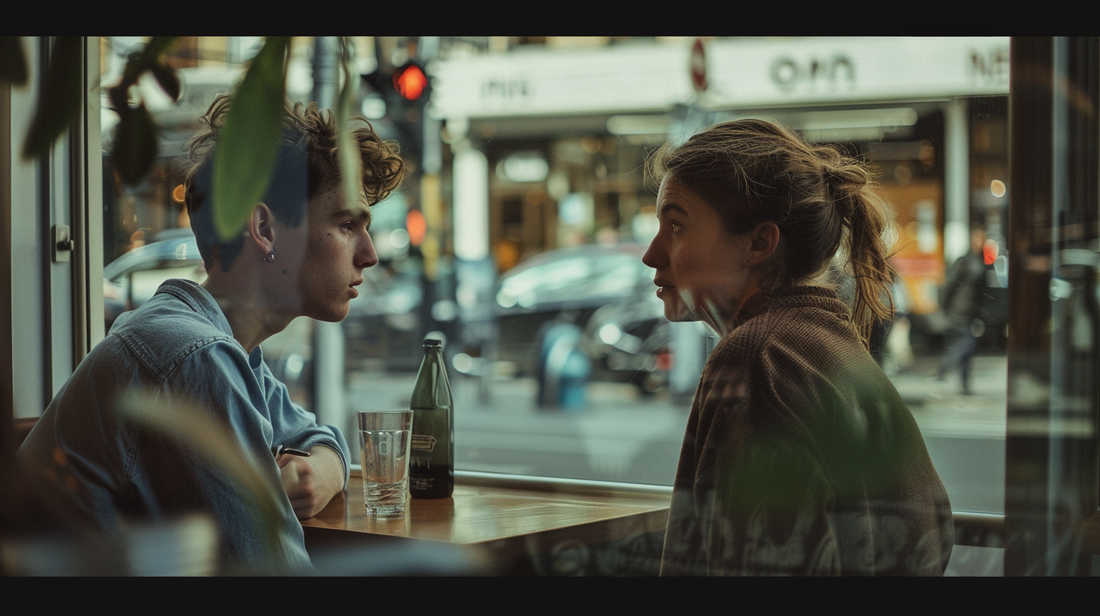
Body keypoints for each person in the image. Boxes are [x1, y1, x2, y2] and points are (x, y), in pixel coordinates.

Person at [18, 95, 404, 572]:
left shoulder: (214, 343)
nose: (369, 254)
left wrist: (322, 468)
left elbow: (317, 434)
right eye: (347, 224)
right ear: (263, 227)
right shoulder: (194, 356)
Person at [643, 119, 953, 575]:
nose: (651, 253)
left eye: (676, 225)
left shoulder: (756, 356)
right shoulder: (830, 345)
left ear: (759, 243)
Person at [937, 226, 992, 395]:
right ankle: (945, 366)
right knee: (969, 342)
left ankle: (965, 385)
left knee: (968, 347)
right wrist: (944, 306)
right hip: (960, 310)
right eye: (977, 239)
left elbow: (983, 290)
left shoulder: (983, 261)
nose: (979, 243)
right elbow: (950, 285)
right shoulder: (964, 262)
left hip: (972, 311)